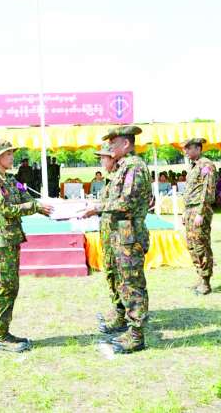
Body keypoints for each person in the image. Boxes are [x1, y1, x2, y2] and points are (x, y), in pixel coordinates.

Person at [82, 126, 152, 354]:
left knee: (132, 284)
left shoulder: (134, 167)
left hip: (129, 234)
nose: (110, 147)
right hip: (121, 234)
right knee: (124, 282)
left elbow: (127, 202)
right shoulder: (124, 167)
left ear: (126, 144)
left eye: (114, 143)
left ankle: (136, 335)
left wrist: (97, 208)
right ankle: (129, 326)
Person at [0, 141, 52, 353]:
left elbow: (25, 197)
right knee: (3, 288)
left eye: (12, 153)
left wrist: (43, 205)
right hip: (1, 241)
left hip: (11, 239)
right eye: (8, 154)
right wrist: (35, 206)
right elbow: (6, 209)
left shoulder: (11, 179)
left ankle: (6, 331)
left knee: (12, 287)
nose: (12, 157)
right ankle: (1, 335)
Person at [92, 143, 125, 337]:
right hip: (109, 233)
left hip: (119, 234)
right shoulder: (112, 179)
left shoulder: (124, 175)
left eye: (103, 158)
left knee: (122, 276)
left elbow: (123, 204)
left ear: (113, 158)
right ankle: (117, 308)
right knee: (111, 272)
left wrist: (96, 208)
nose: (101, 162)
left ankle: (123, 315)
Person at [182, 138, 217, 295]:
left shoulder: (206, 165)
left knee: (201, 245)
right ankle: (200, 276)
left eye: (188, 148)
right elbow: (191, 191)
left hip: (199, 210)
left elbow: (207, 189)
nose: (186, 151)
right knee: (192, 245)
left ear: (198, 148)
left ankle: (206, 281)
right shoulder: (194, 165)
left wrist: (201, 212)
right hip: (191, 210)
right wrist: (185, 211)